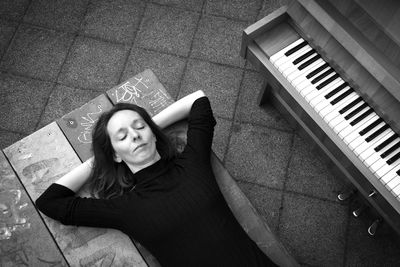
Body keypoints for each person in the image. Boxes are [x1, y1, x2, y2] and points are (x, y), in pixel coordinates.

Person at [35, 90, 277, 267]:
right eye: (122, 136)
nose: (135, 136)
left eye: (139, 127)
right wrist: (102, 158)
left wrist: (150, 126)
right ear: (115, 155)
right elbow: (50, 202)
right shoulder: (124, 209)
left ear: (152, 132)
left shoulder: (192, 164)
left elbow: (198, 100)